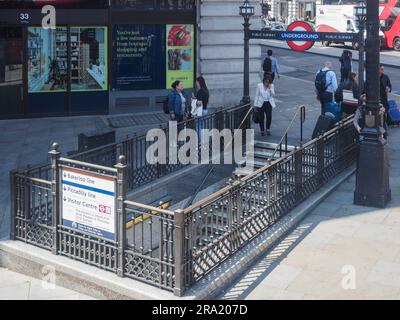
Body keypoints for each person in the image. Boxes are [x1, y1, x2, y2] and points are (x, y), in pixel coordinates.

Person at [193, 76, 210, 143]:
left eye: (196, 82)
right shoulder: (205, 90)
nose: (196, 83)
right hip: (205, 110)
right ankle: (204, 141)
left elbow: (199, 103)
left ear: (198, 82)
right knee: (202, 126)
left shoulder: (200, 91)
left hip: (200, 111)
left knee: (198, 126)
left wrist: (194, 100)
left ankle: (201, 141)